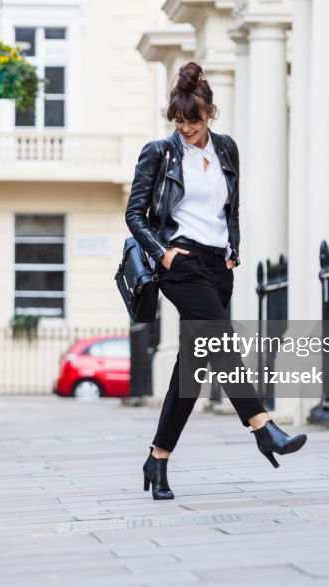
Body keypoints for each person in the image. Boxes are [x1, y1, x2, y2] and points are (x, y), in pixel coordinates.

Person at [124, 61, 307, 501]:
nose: (185, 129)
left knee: (192, 371)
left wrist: (233, 253)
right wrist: (164, 253)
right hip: (180, 262)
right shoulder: (160, 152)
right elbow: (135, 214)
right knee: (222, 343)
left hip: (216, 266)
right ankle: (262, 427)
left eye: (192, 121)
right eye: (179, 122)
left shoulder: (226, 149)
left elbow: (232, 209)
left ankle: (158, 458)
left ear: (210, 114)